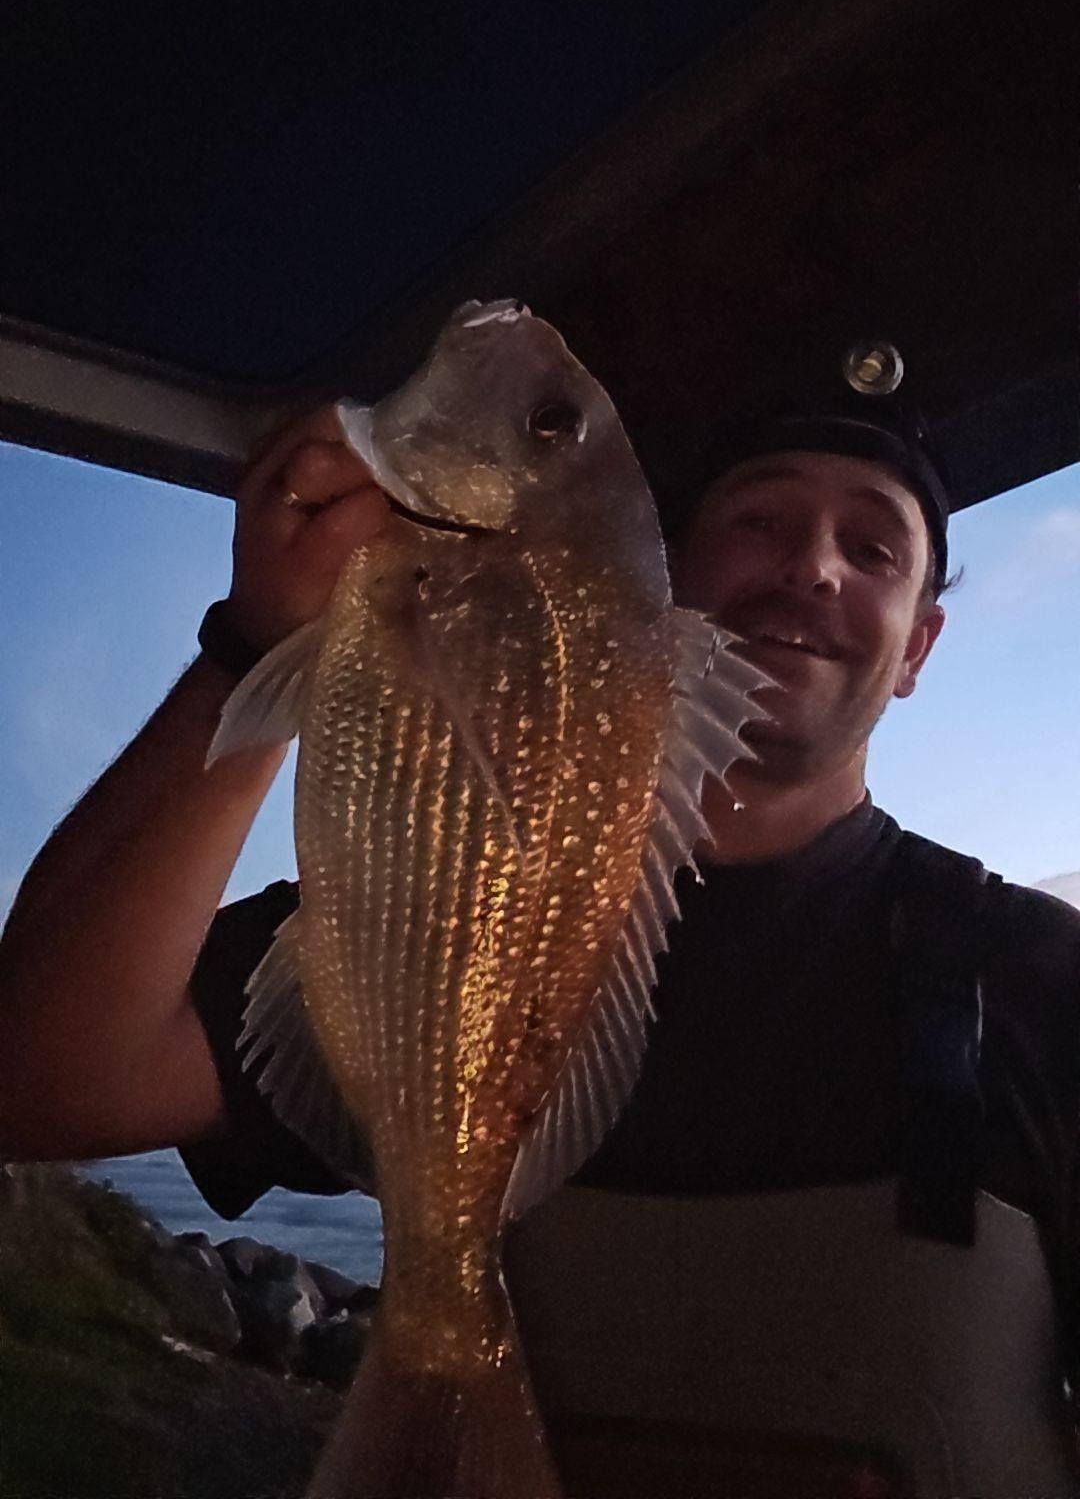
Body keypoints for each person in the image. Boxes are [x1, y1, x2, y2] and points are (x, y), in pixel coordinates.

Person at [1, 368, 1078, 1497]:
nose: (813, 567)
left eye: (873, 549)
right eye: (761, 522)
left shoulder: (1044, 981)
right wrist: (257, 644)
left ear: (917, 650)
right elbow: (40, 1083)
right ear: (666, 587)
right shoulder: (425, 900)